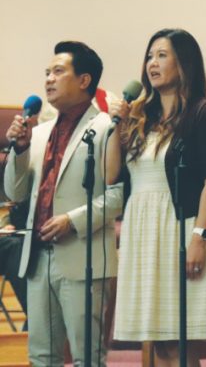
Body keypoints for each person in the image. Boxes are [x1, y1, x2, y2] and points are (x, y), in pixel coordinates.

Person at [107, 28, 206, 367]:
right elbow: (110, 174)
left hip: (183, 226)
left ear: (184, 63)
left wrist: (199, 238)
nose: (152, 63)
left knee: (181, 340)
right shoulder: (142, 116)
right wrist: (117, 125)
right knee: (159, 342)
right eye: (149, 56)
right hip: (143, 229)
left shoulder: (205, 113)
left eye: (162, 55)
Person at [4, 41, 123, 366]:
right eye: (46, 73)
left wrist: (73, 219)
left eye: (58, 71)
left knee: (87, 356)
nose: (49, 80)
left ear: (84, 80)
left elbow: (118, 196)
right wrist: (20, 149)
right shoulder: (39, 132)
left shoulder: (107, 128)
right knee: (41, 356)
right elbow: (15, 192)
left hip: (82, 257)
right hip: (38, 258)